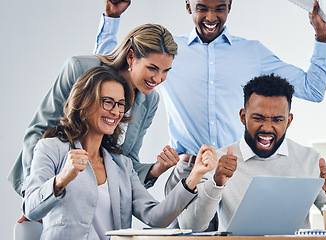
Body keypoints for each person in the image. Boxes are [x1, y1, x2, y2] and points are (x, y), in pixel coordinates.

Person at [95, 0, 326, 162]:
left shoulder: (253, 53)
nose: (211, 17)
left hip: (237, 170)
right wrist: (112, 17)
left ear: (230, 6)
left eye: (220, 8)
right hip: (187, 172)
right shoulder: (168, 53)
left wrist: (322, 37)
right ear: (188, 6)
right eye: (202, 8)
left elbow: (313, 89)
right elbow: (109, 72)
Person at [23, 66, 218, 240]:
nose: (116, 112)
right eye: (108, 102)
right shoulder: (50, 148)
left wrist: (195, 176)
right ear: (84, 101)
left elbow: (156, 217)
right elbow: (31, 210)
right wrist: (62, 179)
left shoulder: (121, 165)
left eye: (121, 104)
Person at [166, 74, 326, 231]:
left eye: (277, 120)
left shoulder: (309, 160)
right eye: (258, 118)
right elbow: (191, 226)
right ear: (243, 116)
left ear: (289, 120)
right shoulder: (218, 161)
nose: (267, 128)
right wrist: (216, 183)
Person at [9, 23, 179, 198]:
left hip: (100, 194)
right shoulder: (80, 69)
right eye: (152, 68)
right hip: (56, 183)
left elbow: (126, 161)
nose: (158, 79)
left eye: (165, 71)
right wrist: (36, 194)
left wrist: (154, 170)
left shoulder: (150, 100)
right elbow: (39, 131)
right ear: (130, 56)